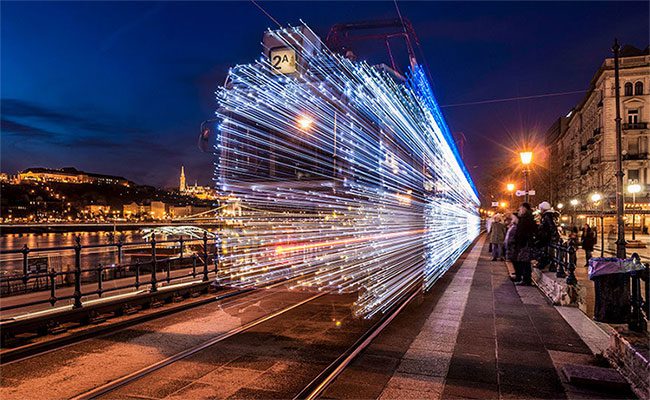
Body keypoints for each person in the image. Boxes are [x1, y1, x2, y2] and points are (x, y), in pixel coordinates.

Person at [514, 203, 536, 286]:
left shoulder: (526, 218)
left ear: (524, 208)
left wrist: (520, 242)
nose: (520, 210)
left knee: (524, 262)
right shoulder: (527, 217)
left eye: (521, 208)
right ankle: (525, 279)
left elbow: (522, 232)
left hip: (524, 243)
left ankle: (526, 280)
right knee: (524, 261)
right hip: (525, 242)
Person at [536, 201, 559, 270]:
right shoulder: (549, 216)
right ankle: (549, 264)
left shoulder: (547, 216)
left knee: (546, 251)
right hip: (548, 237)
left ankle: (548, 264)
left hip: (547, 238)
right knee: (547, 251)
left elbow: (551, 227)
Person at [504, 213, 520, 281]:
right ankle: (513, 274)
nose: (512, 219)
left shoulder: (516, 227)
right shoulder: (512, 226)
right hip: (509, 246)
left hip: (512, 246)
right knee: (510, 260)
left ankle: (514, 274)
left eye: (513, 218)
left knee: (511, 261)